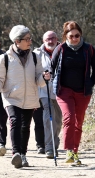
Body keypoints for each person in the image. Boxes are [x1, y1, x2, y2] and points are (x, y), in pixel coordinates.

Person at [0, 25, 50, 168]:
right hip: (11, 97)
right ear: (17, 41)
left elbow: (39, 80)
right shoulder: (4, 58)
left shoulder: (35, 57)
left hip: (30, 97)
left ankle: (23, 155)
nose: (30, 41)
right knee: (15, 121)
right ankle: (16, 153)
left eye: (30, 38)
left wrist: (45, 78)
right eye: (27, 39)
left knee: (25, 126)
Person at [51, 21, 95, 165]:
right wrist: (48, 76)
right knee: (69, 118)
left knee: (79, 122)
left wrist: (90, 83)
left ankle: (75, 152)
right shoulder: (60, 49)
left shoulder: (88, 49)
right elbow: (51, 68)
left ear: (81, 35)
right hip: (64, 90)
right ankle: (68, 150)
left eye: (77, 35)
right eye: (71, 36)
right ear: (65, 36)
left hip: (83, 92)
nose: (74, 38)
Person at [34, 30, 62, 159]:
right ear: (43, 41)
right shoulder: (36, 54)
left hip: (61, 92)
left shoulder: (64, 50)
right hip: (44, 91)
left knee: (58, 120)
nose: (51, 41)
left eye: (53, 38)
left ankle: (54, 143)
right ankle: (49, 148)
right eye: (48, 39)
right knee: (48, 117)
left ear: (57, 39)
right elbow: (32, 73)